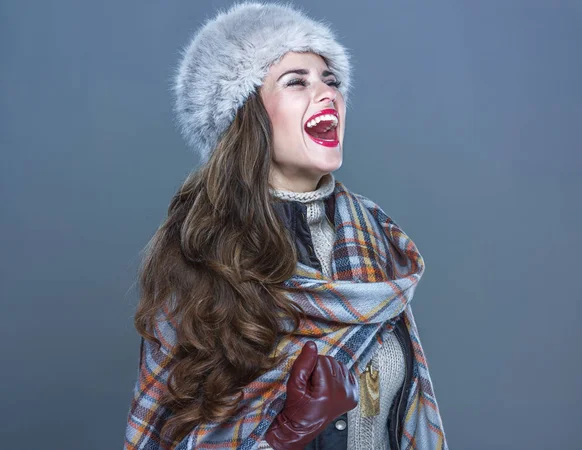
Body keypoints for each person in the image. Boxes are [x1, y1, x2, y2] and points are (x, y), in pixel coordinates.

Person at [123, 2, 448, 450]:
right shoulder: (201, 255)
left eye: (331, 81)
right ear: (246, 116)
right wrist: (286, 434)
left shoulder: (375, 237)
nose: (327, 92)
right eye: (297, 81)